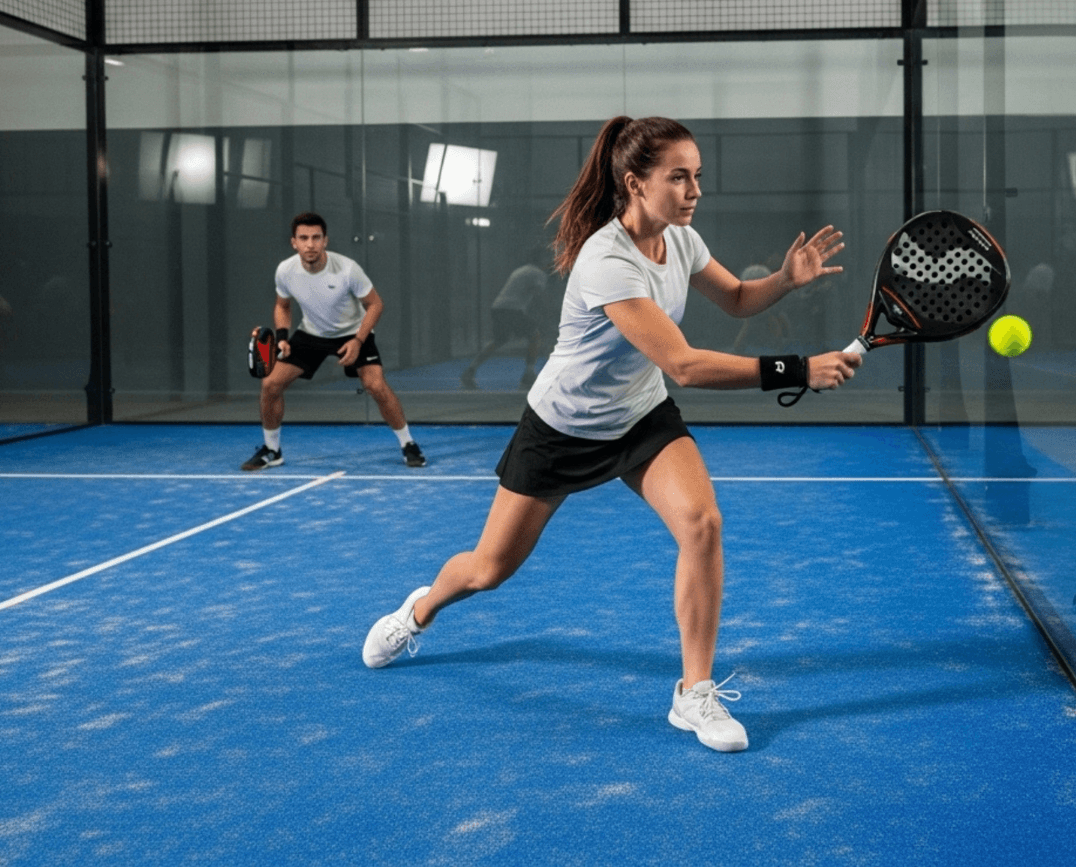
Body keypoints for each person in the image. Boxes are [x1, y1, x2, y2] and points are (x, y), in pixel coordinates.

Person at [360, 115, 862, 752]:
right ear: (635, 183)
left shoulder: (681, 240)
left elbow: (735, 298)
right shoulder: (605, 261)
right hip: (562, 427)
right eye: (677, 177)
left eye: (697, 176)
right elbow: (683, 363)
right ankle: (419, 611)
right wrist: (798, 368)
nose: (693, 190)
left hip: (641, 415)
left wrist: (784, 281)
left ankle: (694, 693)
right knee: (489, 570)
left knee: (702, 523)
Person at [241, 212, 425, 470]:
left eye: (316, 237)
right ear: (294, 242)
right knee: (270, 384)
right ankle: (272, 450)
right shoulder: (286, 270)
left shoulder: (347, 269)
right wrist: (282, 338)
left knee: (375, 386)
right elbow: (282, 306)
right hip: (311, 333)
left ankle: (408, 444)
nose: (310, 244)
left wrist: (359, 340)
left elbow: (375, 305)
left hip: (353, 332)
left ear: (325, 240)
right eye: (303, 238)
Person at [460, 260, 551, 390]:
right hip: (512, 310)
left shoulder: (520, 270)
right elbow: (537, 293)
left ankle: (470, 371)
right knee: (534, 335)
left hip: (498, 308)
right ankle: (529, 376)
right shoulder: (539, 273)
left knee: (500, 340)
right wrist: (546, 315)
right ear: (542, 259)